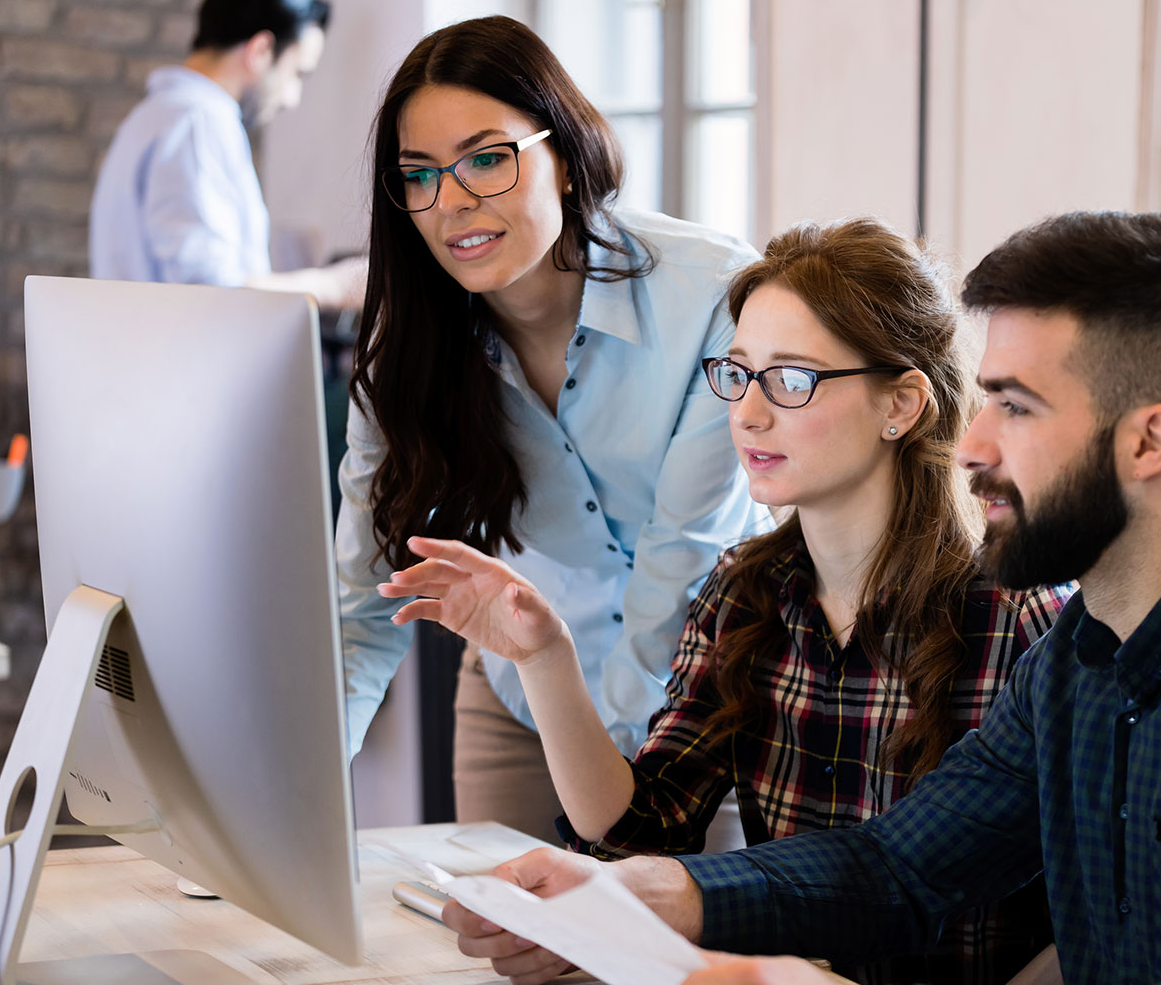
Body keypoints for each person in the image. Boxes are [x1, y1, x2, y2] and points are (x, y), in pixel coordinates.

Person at [443, 212, 1161, 984]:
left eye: (1013, 405)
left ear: (1148, 439)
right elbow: (900, 867)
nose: (970, 444)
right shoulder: (1088, 649)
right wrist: (654, 894)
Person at [380, 219, 1070, 984]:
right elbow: (644, 827)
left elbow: (1088, 919)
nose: (747, 413)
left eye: (792, 379)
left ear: (900, 405)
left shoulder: (1021, 619)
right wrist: (545, 657)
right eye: (737, 374)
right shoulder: (747, 590)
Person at [337, 16, 765, 844]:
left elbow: (681, 572)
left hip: (704, 707)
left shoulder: (712, 296)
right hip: (518, 692)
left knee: (672, 969)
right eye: (418, 175)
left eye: (487, 159)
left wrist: (604, 801)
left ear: (563, 156)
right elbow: (361, 608)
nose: (452, 201)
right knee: (494, 959)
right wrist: (292, 803)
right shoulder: (410, 359)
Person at [89, 0, 363, 309]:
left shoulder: (154, 116)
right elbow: (213, 292)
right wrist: (336, 286)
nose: (292, 98)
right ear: (260, 50)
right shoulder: (197, 123)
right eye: (297, 73)